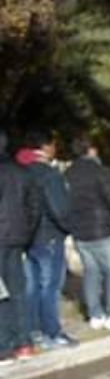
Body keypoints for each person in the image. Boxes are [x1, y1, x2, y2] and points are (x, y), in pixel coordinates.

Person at [66, 139, 110, 332]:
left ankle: (95, 315)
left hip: (80, 232)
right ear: (91, 150)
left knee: (91, 272)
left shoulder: (68, 174)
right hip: (104, 229)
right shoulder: (101, 172)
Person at [16, 133, 79, 350]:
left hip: (27, 238)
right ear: (45, 146)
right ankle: (52, 332)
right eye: (53, 144)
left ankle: (33, 331)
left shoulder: (21, 171)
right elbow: (59, 208)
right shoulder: (49, 174)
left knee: (32, 287)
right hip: (49, 235)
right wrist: (69, 227)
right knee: (50, 287)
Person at [0, 132, 41, 363]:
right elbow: (34, 207)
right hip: (17, 239)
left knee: (1, 295)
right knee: (18, 291)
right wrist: (26, 234)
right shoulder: (22, 172)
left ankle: (4, 346)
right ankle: (24, 343)